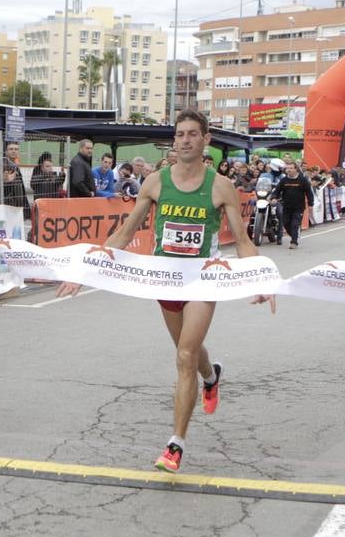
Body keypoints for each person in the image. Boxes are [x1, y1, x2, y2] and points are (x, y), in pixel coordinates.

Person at [57, 109, 274, 474]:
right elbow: (124, 235)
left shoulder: (220, 186)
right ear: (173, 141)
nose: (185, 140)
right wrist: (87, 268)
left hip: (204, 279)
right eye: (179, 135)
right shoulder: (155, 182)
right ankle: (212, 376)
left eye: (192, 134)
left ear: (206, 140)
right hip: (165, 279)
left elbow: (241, 240)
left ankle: (176, 444)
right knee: (188, 353)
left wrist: (261, 278)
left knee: (185, 354)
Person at [275, 160, 314, 250]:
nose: (289, 170)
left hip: (298, 207)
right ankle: (295, 235)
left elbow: (309, 192)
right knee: (286, 223)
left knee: (295, 224)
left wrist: (311, 203)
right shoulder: (284, 180)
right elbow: (277, 191)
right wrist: (274, 197)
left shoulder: (302, 180)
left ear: (296, 169)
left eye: (291, 168)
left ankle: (294, 241)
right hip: (287, 206)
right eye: (287, 168)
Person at [2, 141, 30, 217]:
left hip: (17, 203)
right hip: (9, 205)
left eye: (16, 149)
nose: (14, 151)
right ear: (6, 152)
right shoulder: (4, 165)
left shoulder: (15, 165)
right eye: (11, 149)